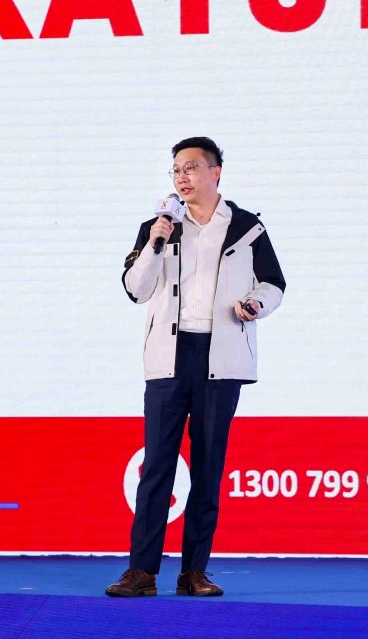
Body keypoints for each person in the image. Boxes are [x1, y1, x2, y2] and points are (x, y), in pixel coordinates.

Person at [106, 137, 286, 598]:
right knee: (157, 466)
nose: (181, 177)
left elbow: (274, 283)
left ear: (215, 171)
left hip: (221, 357)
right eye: (175, 170)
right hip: (169, 358)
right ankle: (141, 572)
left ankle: (194, 572)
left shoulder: (247, 228)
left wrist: (255, 304)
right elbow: (136, 289)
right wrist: (155, 242)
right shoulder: (158, 228)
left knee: (207, 466)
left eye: (190, 168)